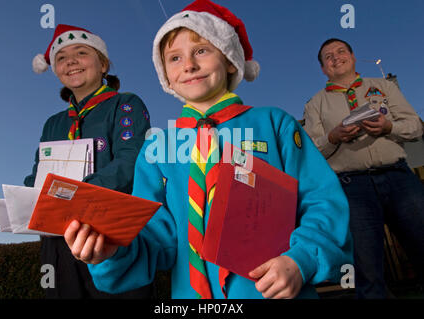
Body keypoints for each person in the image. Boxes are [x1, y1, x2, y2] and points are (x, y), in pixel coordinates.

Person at [64, 0, 353, 299]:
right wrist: (114, 249)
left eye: (201, 50)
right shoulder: (157, 147)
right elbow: (155, 237)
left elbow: (322, 200)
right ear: (165, 74)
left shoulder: (274, 123)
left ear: (229, 59)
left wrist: (301, 259)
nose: (188, 65)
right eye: (174, 58)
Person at [24, 24, 153, 299]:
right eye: (61, 57)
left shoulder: (126, 104)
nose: (70, 61)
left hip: (110, 233)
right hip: (57, 238)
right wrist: (26, 194)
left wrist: (75, 193)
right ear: (56, 70)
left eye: (81, 52)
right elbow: (38, 174)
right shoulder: (53, 123)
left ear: (103, 64)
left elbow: (132, 161)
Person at [303, 38, 424, 298]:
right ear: (323, 69)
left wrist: (390, 127)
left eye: (340, 52)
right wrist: (333, 137)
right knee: (366, 268)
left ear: (353, 56)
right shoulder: (315, 104)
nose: (335, 58)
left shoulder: (383, 87)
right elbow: (310, 150)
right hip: (351, 187)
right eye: (328, 57)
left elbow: (415, 126)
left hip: (399, 177)